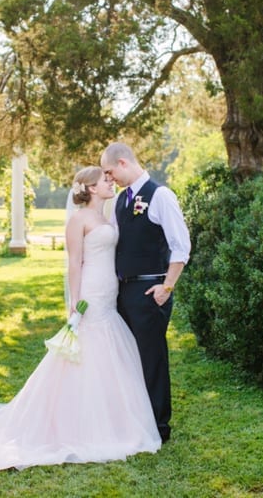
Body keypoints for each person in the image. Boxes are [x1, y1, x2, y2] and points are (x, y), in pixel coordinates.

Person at [0, 166, 161, 470]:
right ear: (90, 188)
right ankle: (72, 423)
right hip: (91, 291)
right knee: (84, 351)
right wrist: (74, 302)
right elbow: (74, 264)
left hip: (110, 292)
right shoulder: (79, 220)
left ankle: (114, 420)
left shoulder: (109, 217)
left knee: (108, 351)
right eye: (105, 180)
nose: (110, 183)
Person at [100, 142, 191, 443]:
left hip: (151, 290)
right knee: (127, 358)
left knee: (151, 359)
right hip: (123, 292)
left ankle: (159, 427)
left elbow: (181, 246)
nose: (109, 178)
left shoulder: (160, 195)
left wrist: (166, 287)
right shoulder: (121, 202)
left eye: (110, 172)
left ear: (123, 163)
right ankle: (134, 420)